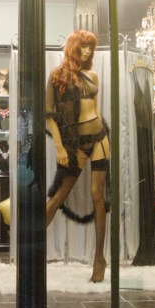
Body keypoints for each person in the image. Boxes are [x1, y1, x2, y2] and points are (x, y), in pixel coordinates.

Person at [45, 30, 110, 282]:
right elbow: (48, 114)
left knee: (97, 196)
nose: (87, 51)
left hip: (100, 137)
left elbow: (95, 109)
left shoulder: (92, 75)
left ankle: (99, 258)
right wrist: (59, 147)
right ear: (73, 48)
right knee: (58, 196)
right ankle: (33, 249)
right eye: (83, 46)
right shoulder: (57, 76)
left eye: (90, 48)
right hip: (75, 143)